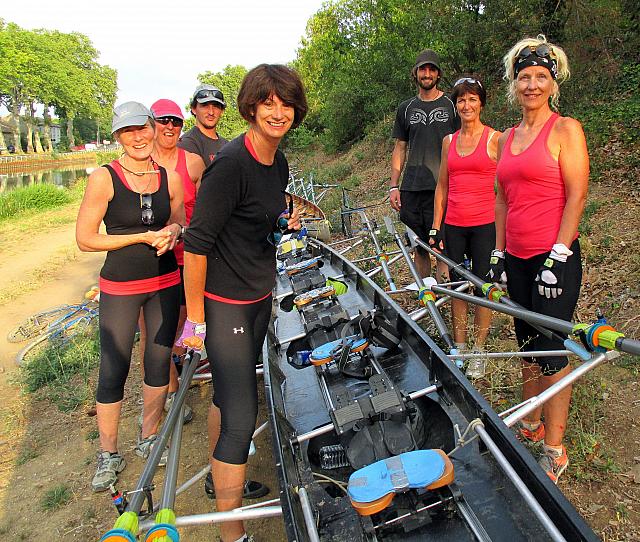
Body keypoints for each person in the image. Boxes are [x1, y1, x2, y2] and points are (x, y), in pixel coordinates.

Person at [178, 64, 306, 542]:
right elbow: (197, 244)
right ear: (251, 107)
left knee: (229, 398)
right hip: (224, 303)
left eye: (285, 103)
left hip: (258, 296)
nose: (277, 112)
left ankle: (218, 480)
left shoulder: (279, 161)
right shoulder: (230, 165)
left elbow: (259, 226)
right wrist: (195, 320)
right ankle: (232, 534)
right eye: (267, 103)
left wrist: (280, 229)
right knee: (240, 413)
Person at [490, 35, 589, 483]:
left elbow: (576, 194)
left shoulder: (565, 129)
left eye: (540, 77)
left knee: (552, 353)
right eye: (525, 77)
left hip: (556, 258)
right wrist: (498, 251)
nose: (532, 84)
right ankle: (529, 423)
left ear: (553, 83)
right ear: (515, 84)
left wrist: (560, 253)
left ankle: (555, 446)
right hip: (518, 257)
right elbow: (501, 199)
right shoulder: (508, 137)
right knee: (528, 347)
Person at [76, 102, 185, 492]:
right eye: (127, 132)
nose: (137, 137)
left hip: (165, 282)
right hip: (120, 287)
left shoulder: (169, 176)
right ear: (118, 137)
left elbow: (178, 220)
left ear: (154, 128)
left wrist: (173, 231)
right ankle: (108, 453)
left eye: (143, 128)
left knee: (158, 362)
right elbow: (86, 238)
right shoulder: (104, 178)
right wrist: (139, 237)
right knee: (114, 368)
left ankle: (149, 433)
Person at [134, 99, 206, 424]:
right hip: (149, 262)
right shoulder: (138, 163)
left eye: (175, 122)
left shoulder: (192, 164)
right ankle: (170, 395)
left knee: (180, 327)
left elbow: (206, 212)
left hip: (186, 258)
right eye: (163, 121)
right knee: (152, 333)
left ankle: (169, 379)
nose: (170, 127)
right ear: (151, 124)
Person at [429, 76, 501, 378]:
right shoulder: (448, 141)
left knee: (483, 289)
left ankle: (479, 350)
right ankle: (459, 347)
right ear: (455, 105)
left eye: (472, 99)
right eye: (461, 100)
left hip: (485, 225)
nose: (466, 105)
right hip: (455, 225)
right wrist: (436, 226)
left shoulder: (495, 139)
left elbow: (507, 188)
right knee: (458, 288)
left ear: (481, 103)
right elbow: (442, 186)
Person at [390, 49, 459, 280]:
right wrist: (393, 186)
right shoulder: (405, 108)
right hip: (411, 188)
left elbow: (463, 144)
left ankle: (443, 294)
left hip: (442, 187)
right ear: (416, 73)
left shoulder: (452, 105)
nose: (427, 73)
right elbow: (400, 147)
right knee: (419, 246)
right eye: (423, 69)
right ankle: (426, 296)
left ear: (438, 74)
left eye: (431, 69)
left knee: (440, 246)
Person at [178, 84, 228, 166]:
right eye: (205, 106)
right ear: (194, 109)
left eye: (216, 106)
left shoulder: (227, 145)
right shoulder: (186, 144)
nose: (211, 112)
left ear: (222, 111)